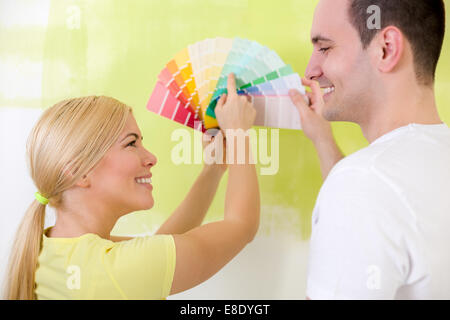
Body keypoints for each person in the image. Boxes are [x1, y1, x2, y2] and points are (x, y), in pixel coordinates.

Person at [3, 73, 260, 300]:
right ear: (79, 171)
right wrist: (238, 133)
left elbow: (160, 247)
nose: (151, 158)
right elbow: (242, 226)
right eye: (131, 144)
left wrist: (212, 170)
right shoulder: (117, 270)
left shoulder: (50, 249)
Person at [288, 0, 450, 299]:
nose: (311, 71)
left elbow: (369, 192)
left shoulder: (363, 182)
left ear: (385, 49)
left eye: (325, 48)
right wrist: (324, 141)